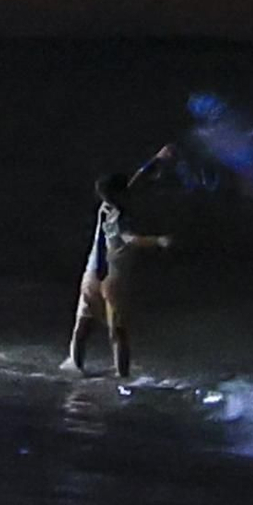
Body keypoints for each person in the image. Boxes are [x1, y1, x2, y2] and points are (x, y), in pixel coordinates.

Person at [64, 145, 178, 382]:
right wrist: (158, 240)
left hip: (97, 274)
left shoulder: (107, 206)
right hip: (109, 276)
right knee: (113, 329)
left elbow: (134, 182)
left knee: (89, 326)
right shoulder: (118, 212)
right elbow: (129, 238)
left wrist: (155, 161)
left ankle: (81, 368)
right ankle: (116, 375)